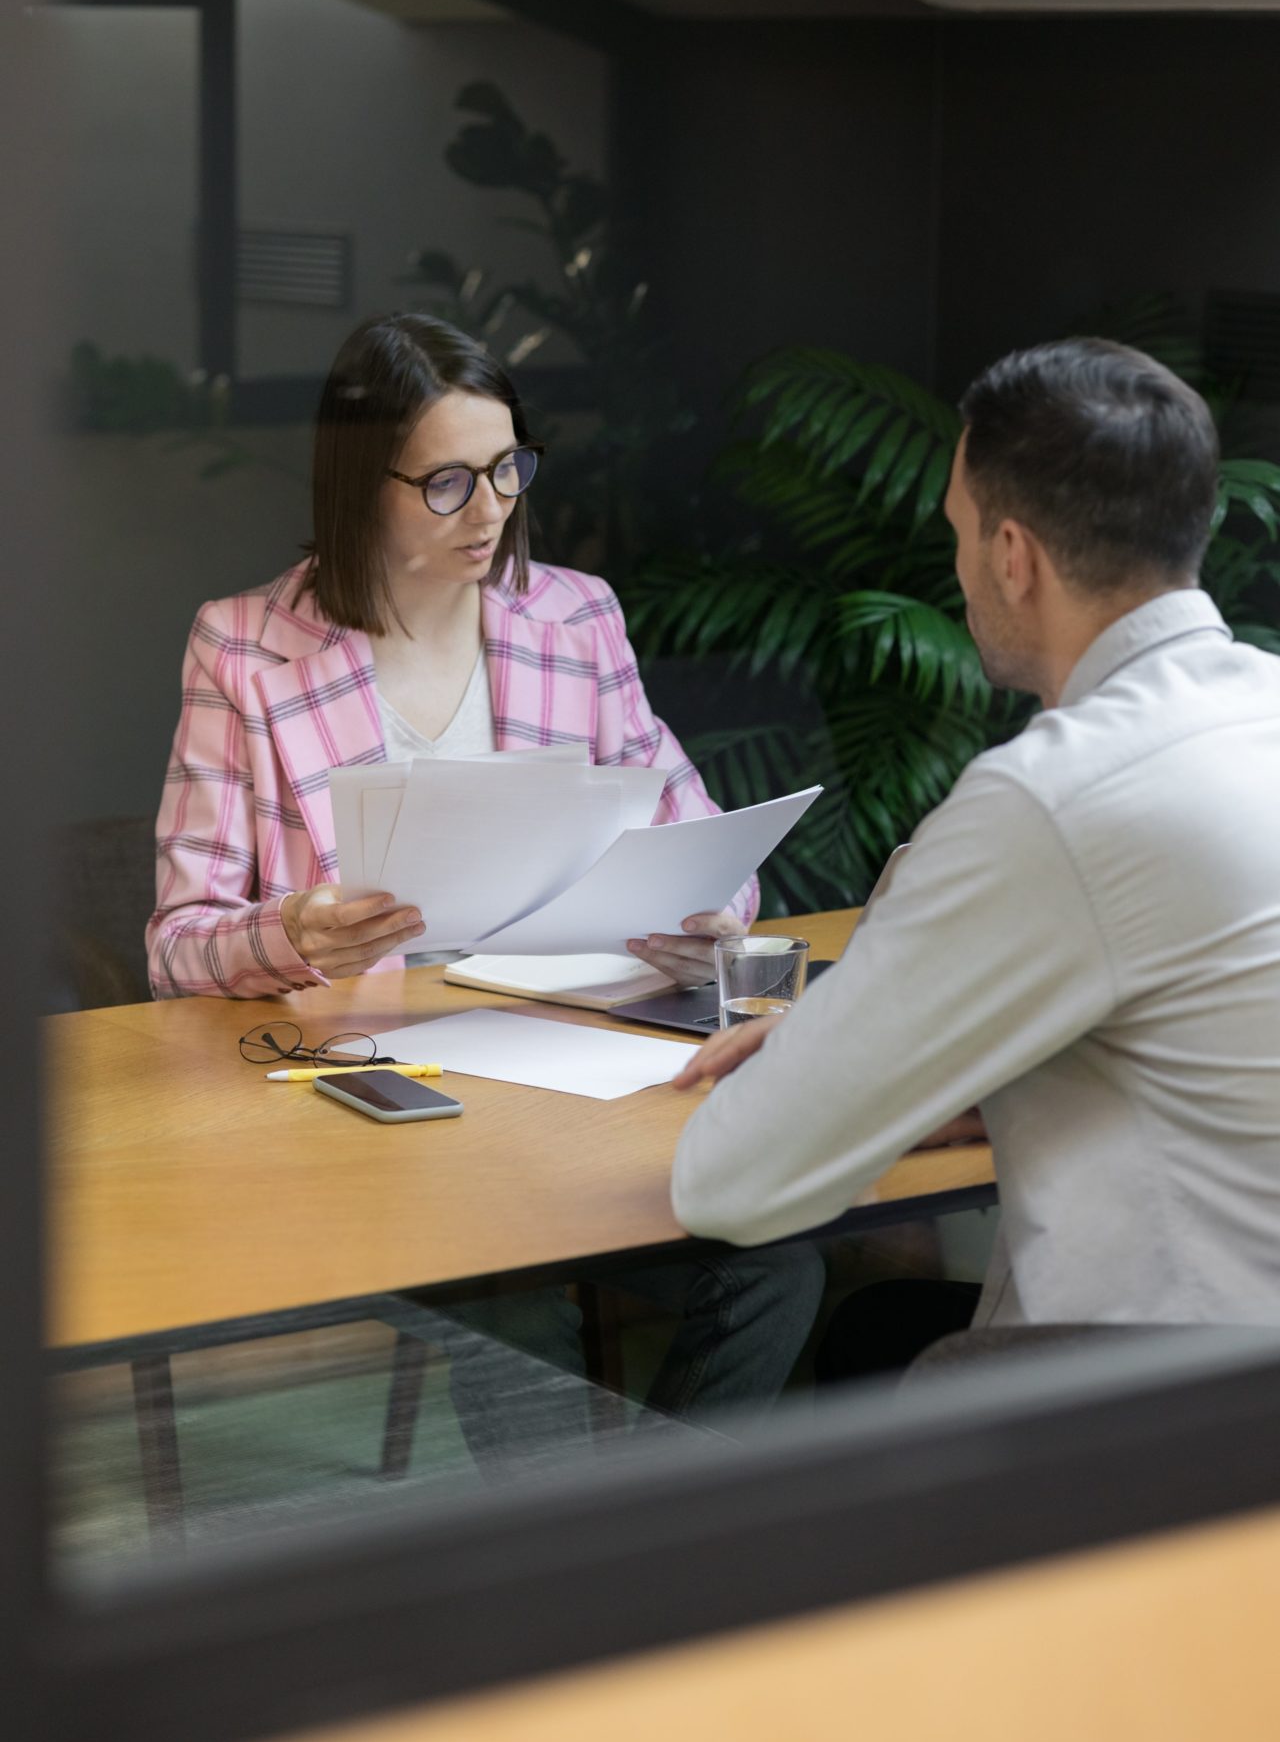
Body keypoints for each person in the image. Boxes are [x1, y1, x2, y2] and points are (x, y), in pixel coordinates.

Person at [148, 312, 823, 1450]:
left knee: (777, 1260)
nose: (495, 507)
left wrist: (710, 910)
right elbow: (179, 946)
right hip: (387, 1095)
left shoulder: (572, 616)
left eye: (509, 468)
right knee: (515, 1290)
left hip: (578, 1060)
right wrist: (298, 932)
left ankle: (617, 1571)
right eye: (450, 483)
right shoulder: (247, 649)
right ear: (365, 484)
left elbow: (694, 828)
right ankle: (617, 1585)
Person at [671, 337, 1280, 1374]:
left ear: (1010, 555)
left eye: (954, 533)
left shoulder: (1054, 796)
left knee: (879, 1363)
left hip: (1176, 1419)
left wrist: (854, 1063)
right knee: (874, 1335)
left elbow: (728, 1183)